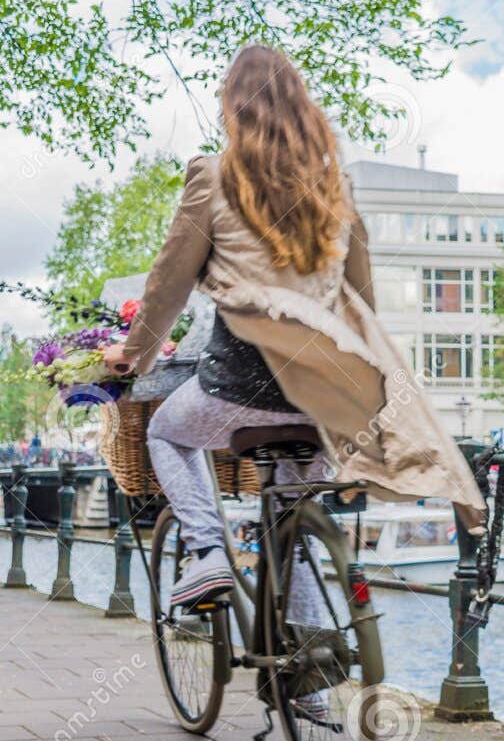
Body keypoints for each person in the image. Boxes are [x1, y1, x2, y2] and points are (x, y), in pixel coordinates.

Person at [104, 45, 484, 609]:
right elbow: (361, 299)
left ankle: (207, 551)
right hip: (327, 394)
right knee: (293, 527)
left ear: (234, 108)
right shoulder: (337, 188)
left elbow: (169, 283)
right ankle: (307, 692)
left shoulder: (213, 175)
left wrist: (135, 353)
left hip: (239, 383)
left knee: (164, 433)